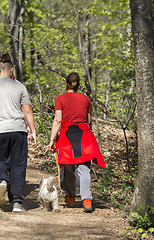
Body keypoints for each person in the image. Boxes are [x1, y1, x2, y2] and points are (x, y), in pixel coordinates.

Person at [0, 53, 36, 212]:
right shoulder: (19, 86)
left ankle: (1, 181)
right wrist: (32, 131)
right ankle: (18, 203)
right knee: (18, 165)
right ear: (11, 70)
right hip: (18, 130)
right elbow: (27, 111)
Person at [46, 72, 105, 213]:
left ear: (66, 83)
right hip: (84, 136)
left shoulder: (60, 99)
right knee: (84, 169)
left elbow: (58, 121)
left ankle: (71, 197)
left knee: (68, 168)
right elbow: (89, 121)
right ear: (78, 85)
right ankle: (87, 201)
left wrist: (51, 140)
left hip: (67, 137)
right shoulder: (86, 99)